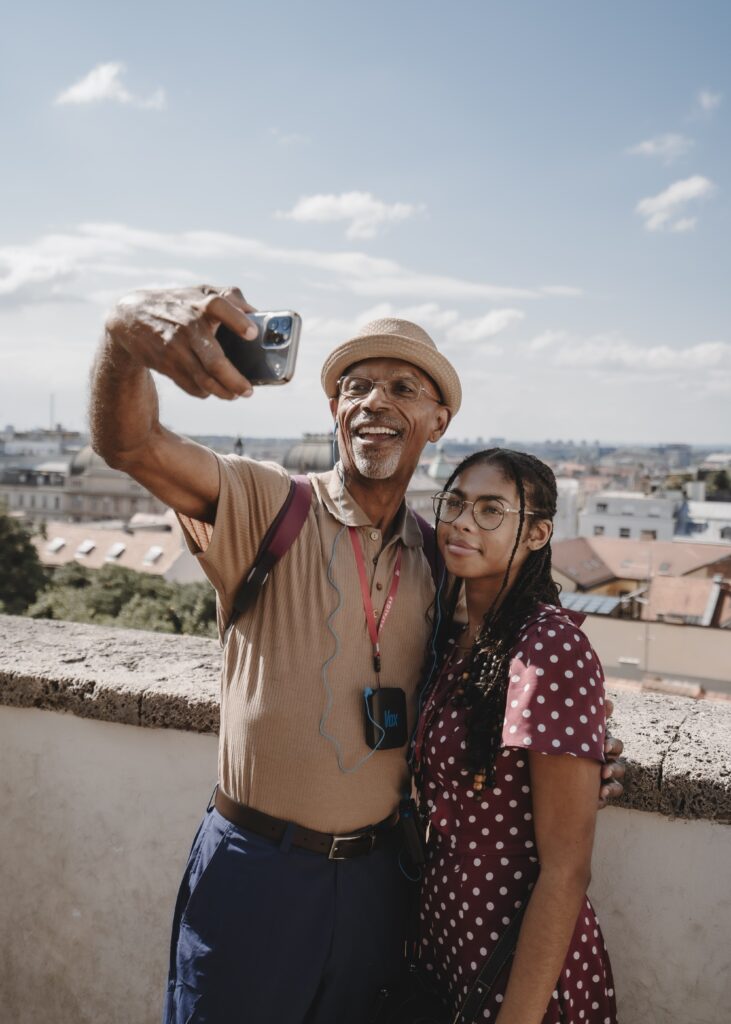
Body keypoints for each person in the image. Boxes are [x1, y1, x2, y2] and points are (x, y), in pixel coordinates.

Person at [89, 286, 624, 1024]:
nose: (374, 400)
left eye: (403, 388)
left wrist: (575, 761)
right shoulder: (268, 503)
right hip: (258, 870)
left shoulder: (441, 561)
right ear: (333, 412)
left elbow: (491, 684)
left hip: (382, 884)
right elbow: (129, 444)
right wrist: (122, 335)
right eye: (354, 386)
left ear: (438, 423)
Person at [413, 448, 617, 1023]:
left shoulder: (550, 645)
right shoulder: (458, 641)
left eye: (491, 510)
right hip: (452, 942)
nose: (463, 523)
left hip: (519, 964)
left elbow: (568, 867)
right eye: (454, 503)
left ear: (537, 534)